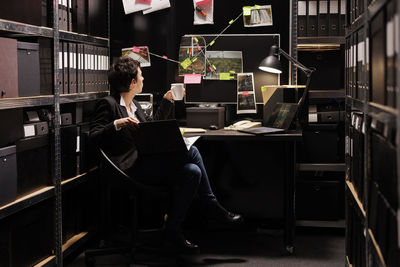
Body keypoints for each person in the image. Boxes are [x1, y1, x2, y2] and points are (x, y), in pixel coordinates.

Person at [90, 57, 242, 254]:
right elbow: (93, 137)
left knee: (192, 171)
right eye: (140, 75)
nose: (143, 78)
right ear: (132, 82)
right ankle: (211, 206)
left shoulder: (135, 105)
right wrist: (118, 124)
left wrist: (167, 101)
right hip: (128, 169)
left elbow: (152, 129)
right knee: (193, 151)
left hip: (146, 163)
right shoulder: (109, 104)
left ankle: (173, 228)